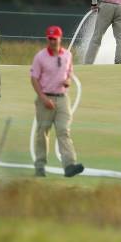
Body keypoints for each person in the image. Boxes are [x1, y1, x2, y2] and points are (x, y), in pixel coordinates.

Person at [30, 25, 84, 177]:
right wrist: (43, 98)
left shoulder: (67, 55)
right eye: (50, 38)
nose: (53, 41)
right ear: (47, 39)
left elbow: (69, 73)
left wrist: (67, 81)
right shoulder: (40, 57)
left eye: (55, 39)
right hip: (44, 98)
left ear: (60, 38)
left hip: (62, 98)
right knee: (42, 132)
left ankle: (69, 165)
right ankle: (40, 167)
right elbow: (34, 78)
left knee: (63, 131)